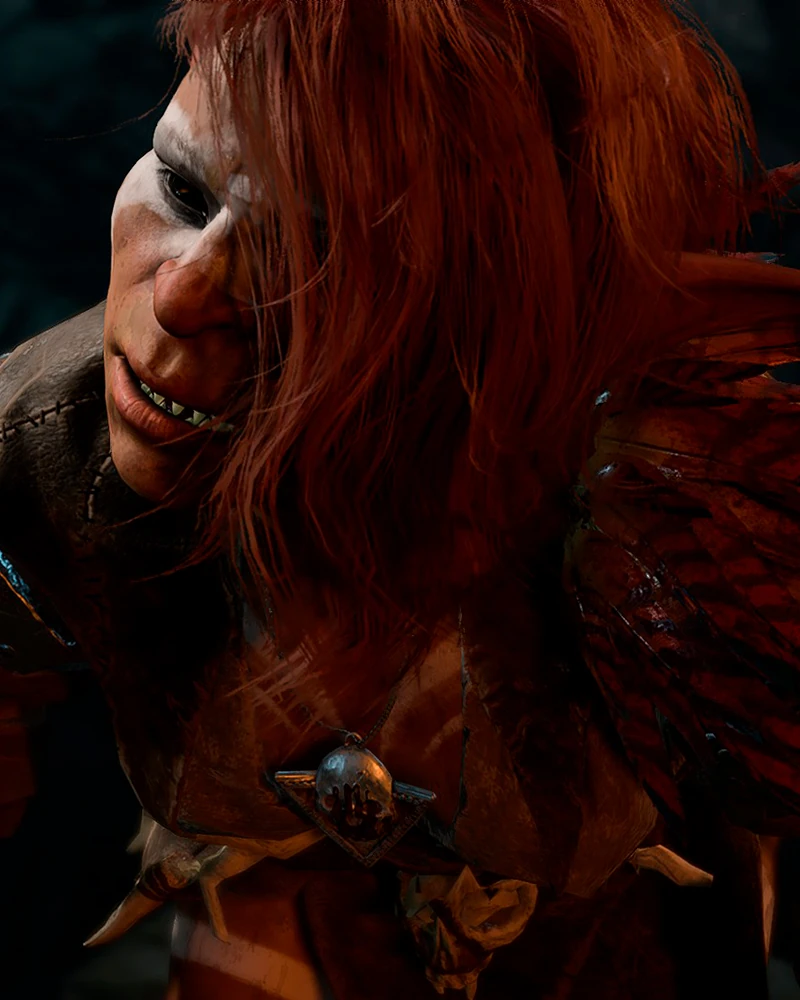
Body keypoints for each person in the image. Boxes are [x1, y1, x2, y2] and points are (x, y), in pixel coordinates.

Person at [3, 1, 800, 996]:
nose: (181, 295)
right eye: (180, 186)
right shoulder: (50, 436)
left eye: (310, 256)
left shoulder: (665, 514)